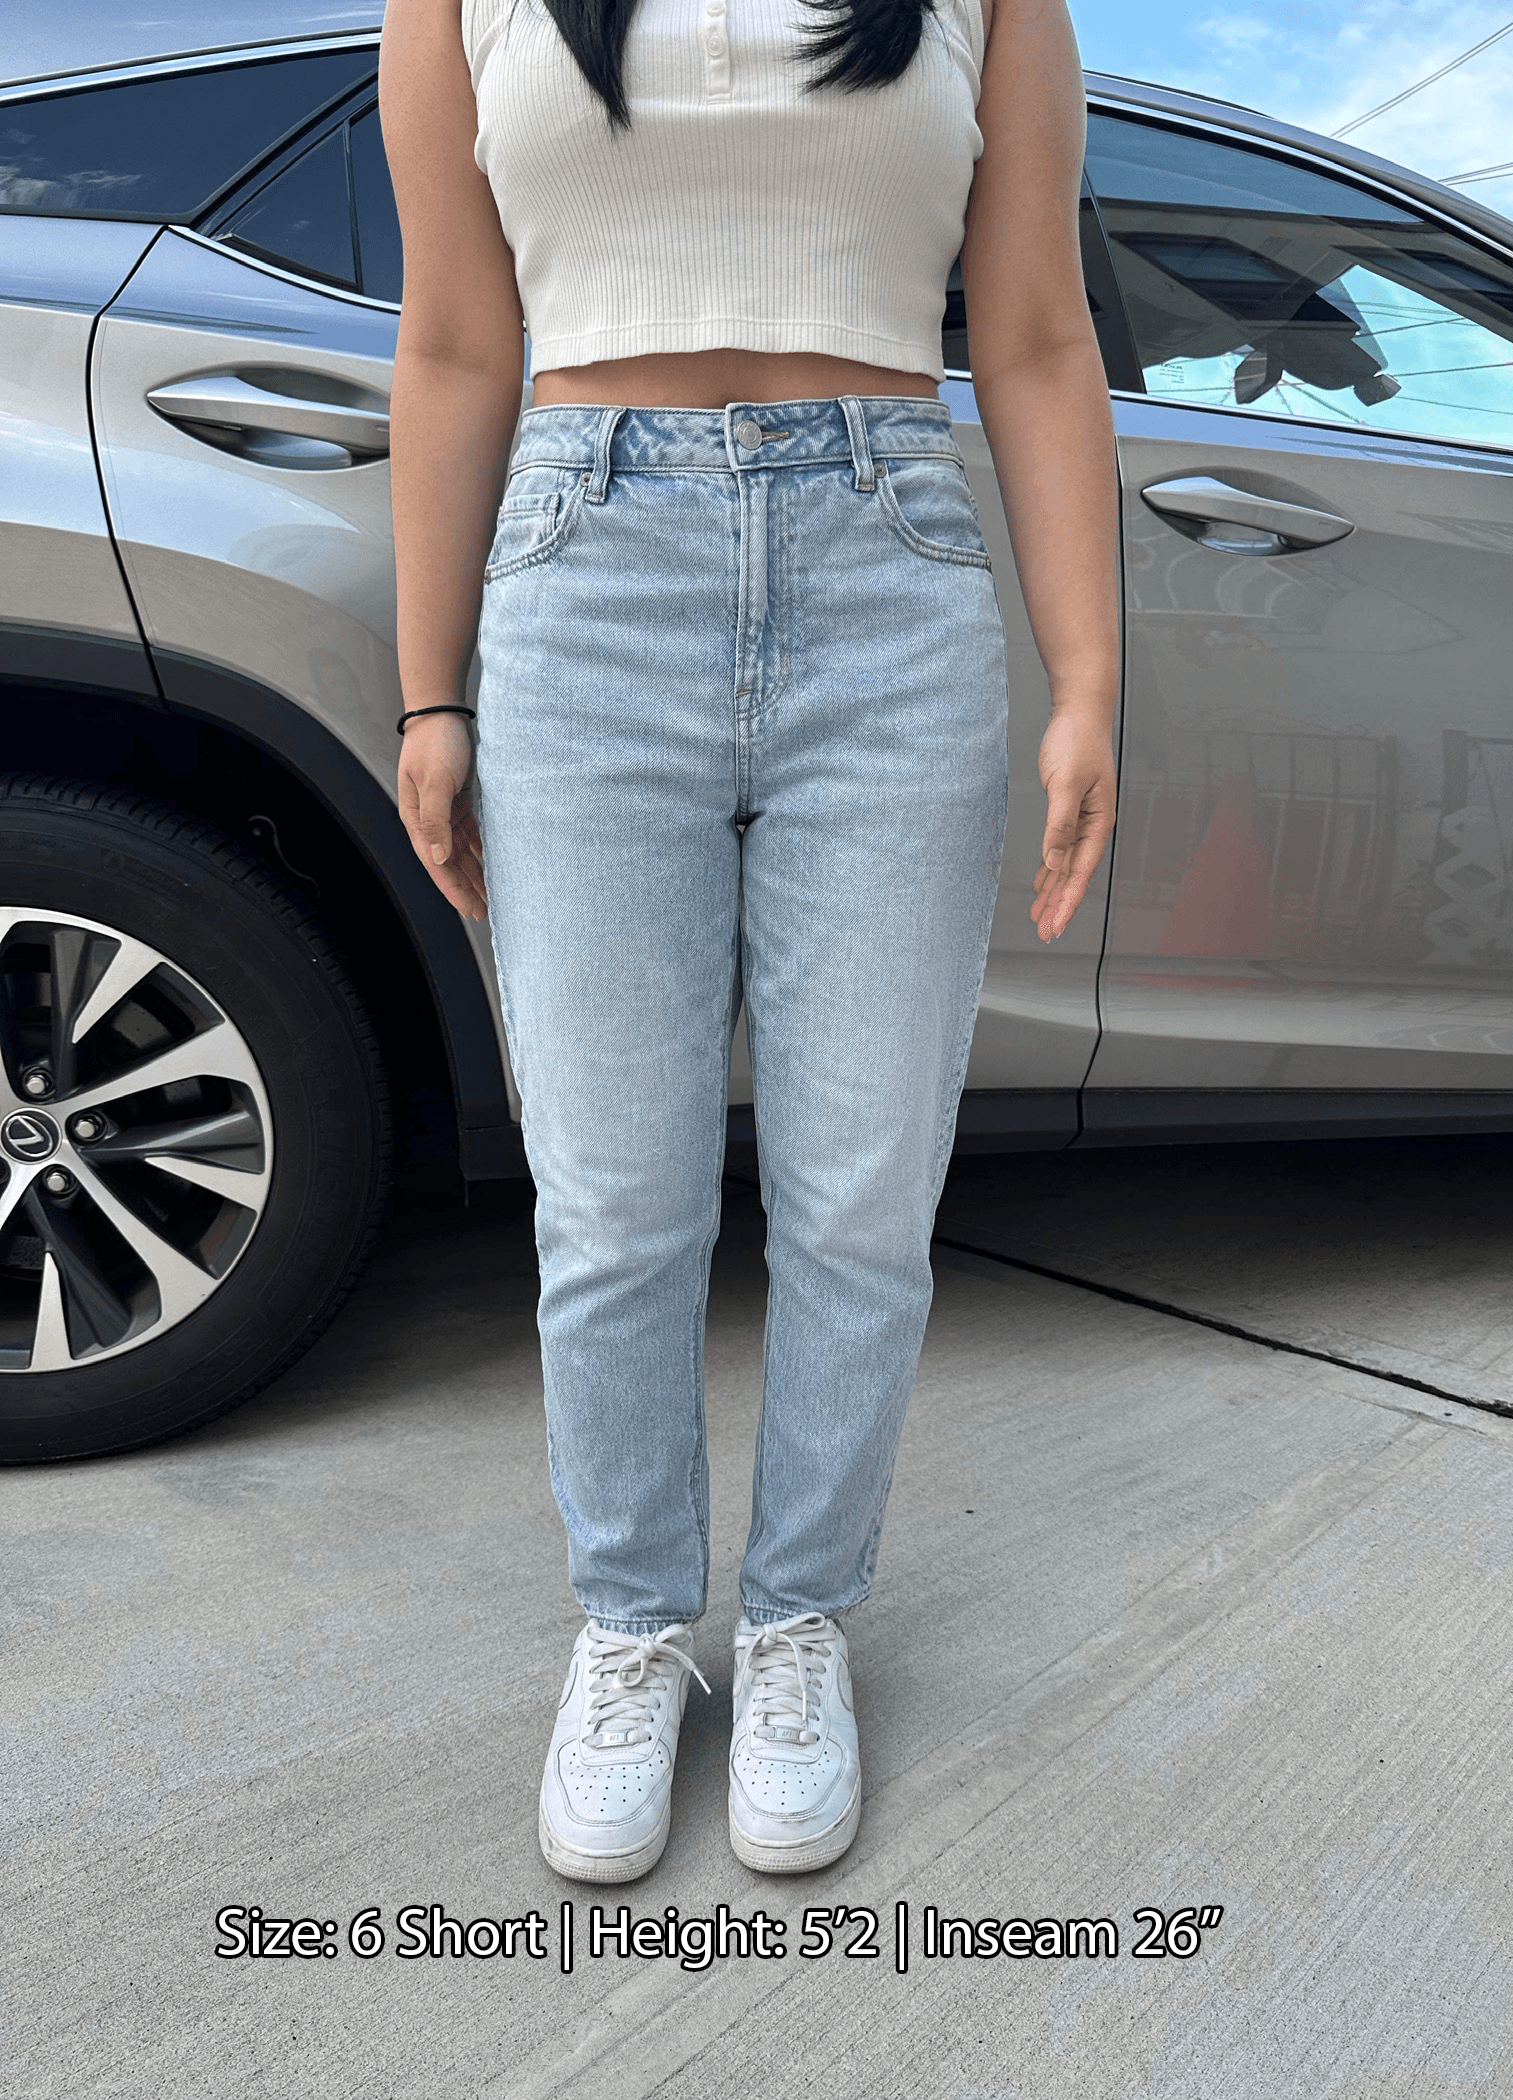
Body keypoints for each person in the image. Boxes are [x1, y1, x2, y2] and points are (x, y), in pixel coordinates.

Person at [381, 0, 1119, 1881]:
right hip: (584, 570)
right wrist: (429, 695)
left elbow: (1034, 334)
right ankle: (633, 1627)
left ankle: (797, 1624)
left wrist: (1087, 678)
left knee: (860, 1192)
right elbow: (456, 339)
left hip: (891, 569)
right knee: (611, 1196)